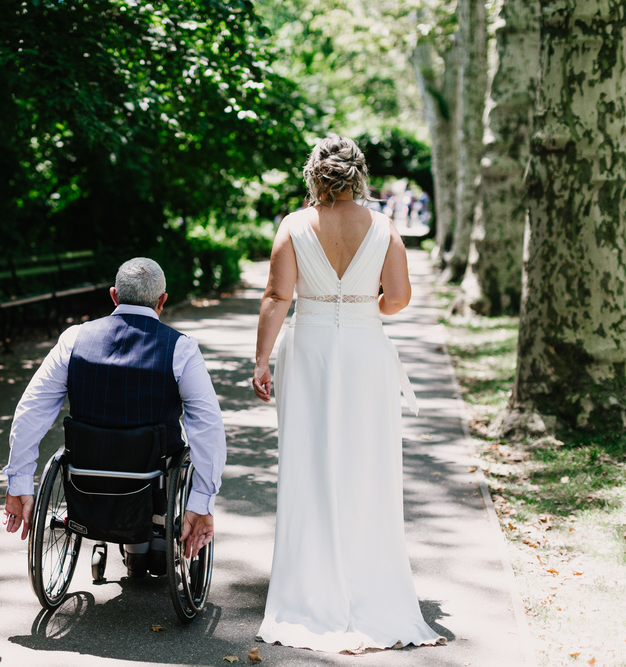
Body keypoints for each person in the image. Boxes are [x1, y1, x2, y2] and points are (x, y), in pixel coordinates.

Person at [252, 136, 445, 653]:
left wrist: (260, 360)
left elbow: (277, 296)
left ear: (315, 174)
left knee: (309, 462)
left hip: (309, 348)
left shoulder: (294, 225)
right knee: (367, 465)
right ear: (359, 175)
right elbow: (399, 297)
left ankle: (309, 586)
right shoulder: (384, 228)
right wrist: (364, 311)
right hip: (365, 353)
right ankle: (369, 582)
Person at [3, 258, 227, 569]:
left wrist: (20, 482)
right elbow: (208, 427)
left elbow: (31, 411)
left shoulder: (73, 340)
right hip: (152, 472)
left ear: (114, 296)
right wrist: (202, 502)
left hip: (86, 471)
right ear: (162, 300)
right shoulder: (181, 349)